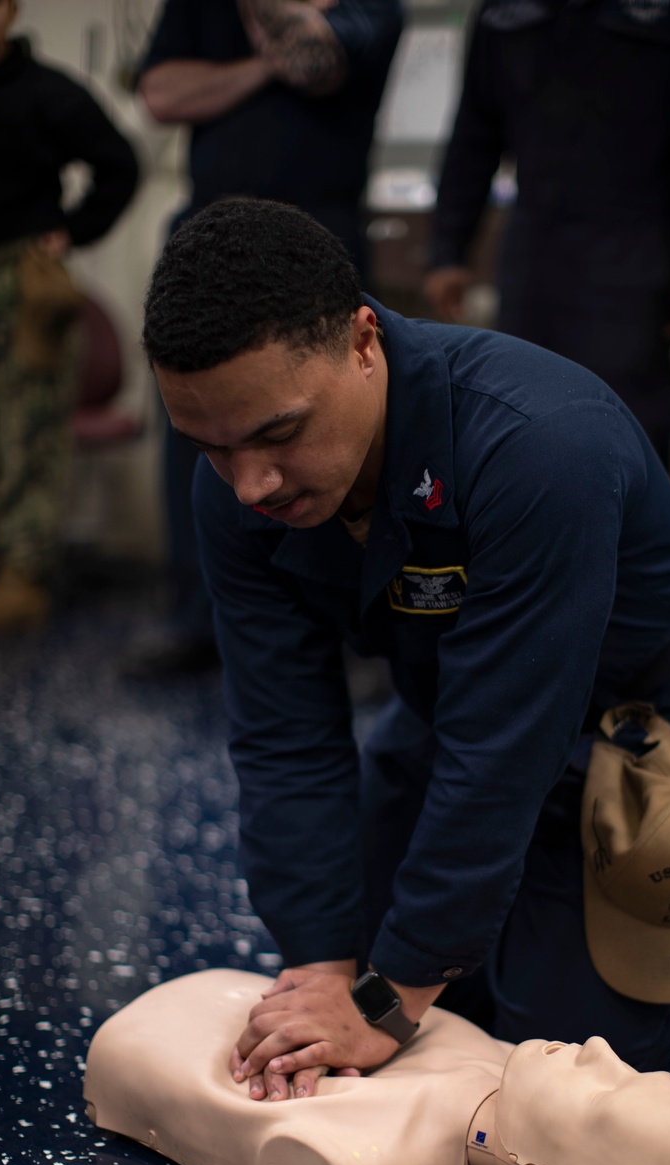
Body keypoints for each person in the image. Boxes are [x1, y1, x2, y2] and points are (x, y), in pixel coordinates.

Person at [141, 197, 670, 1100]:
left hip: (642, 723)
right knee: (371, 972)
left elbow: (503, 753)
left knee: (552, 1071)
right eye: (208, 447)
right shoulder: (237, 486)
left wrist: (390, 1004)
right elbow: (286, 736)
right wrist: (320, 964)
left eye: (278, 435)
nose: (251, 487)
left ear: (363, 343)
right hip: (451, 702)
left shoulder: (540, 443)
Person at [84, 967, 670, 1165]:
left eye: (602, 1094)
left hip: (154, 1037)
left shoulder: (369, 1160)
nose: (600, 1051)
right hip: (221, 1001)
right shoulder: (521, 1065)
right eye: (635, 1070)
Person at [127, 0, 403, 677]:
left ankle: (355, 627)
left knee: (330, 435)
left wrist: (229, 74)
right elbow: (161, 95)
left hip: (317, 232)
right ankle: (199, 615)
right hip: (207, 229)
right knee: (198, 440)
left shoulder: (372, 7)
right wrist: (262, 67)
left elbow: (316, 63)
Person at [423, 0, 670, 465]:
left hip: (633, 258)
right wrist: (447, 248)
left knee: (623, 439)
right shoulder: (505, 8)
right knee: (521, 429)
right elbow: (473, 134)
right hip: (532, 256)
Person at [0, 0, 139, 636]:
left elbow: (120, 166)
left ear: (10, 11)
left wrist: (70, 231)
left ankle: (23, 575)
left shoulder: (47, 92)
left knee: (24, 432)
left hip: (15, 283)